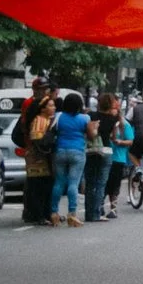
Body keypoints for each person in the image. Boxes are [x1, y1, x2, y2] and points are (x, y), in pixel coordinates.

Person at [44, 92, 93, 227]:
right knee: (73, 183)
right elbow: (91, 136)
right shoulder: (85, 118)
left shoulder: (58, 116)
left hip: (60, 151)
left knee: (59, 182)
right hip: (77, 152)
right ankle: (72, 214)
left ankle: (54, 213)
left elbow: (51, 131)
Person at [16, 75, 55, 225]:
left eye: (46, 89)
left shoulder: (44, 104)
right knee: (35, 183)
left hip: (40, 148)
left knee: (42, 182)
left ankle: (42, 212)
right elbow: (27, 124)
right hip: (34, 147)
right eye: (41, 89)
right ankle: (33, 213)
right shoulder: (31, 104)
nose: (44, 92)